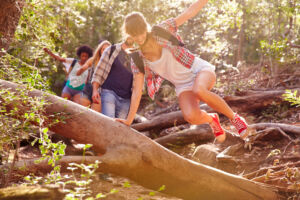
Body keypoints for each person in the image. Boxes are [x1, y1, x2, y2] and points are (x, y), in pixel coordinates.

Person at [119, 0, 249, 143]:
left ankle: (235, 119)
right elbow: (137, 91)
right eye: (135, 35)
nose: (139, 38)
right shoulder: (137, 58)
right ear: (130, 36)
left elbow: (188, 13)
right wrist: (129, 120)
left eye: (141, 32)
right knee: (190, 116)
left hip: (198, 70)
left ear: (146, 27)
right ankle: (212, 120)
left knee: (199, 90)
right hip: (182, 85)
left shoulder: (161, 30)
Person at [91, 37, 144, 120]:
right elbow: (98, 72)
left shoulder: (138, 56)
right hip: (109, 92)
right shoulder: (111, 50)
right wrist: (95, 90)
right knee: (109, 122)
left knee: (118, 127)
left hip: (126, 99)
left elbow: (139, 84)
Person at [77, 40, 111, 112]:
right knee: (82, 113)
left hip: (100, 92)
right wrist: (81, 69)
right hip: (88, 89)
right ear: (100, 50)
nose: (105, 51)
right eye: (103, 49)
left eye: (107, 49)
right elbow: (84, 67)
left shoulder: (111, 64)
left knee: (95, 115)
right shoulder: (93, 60)